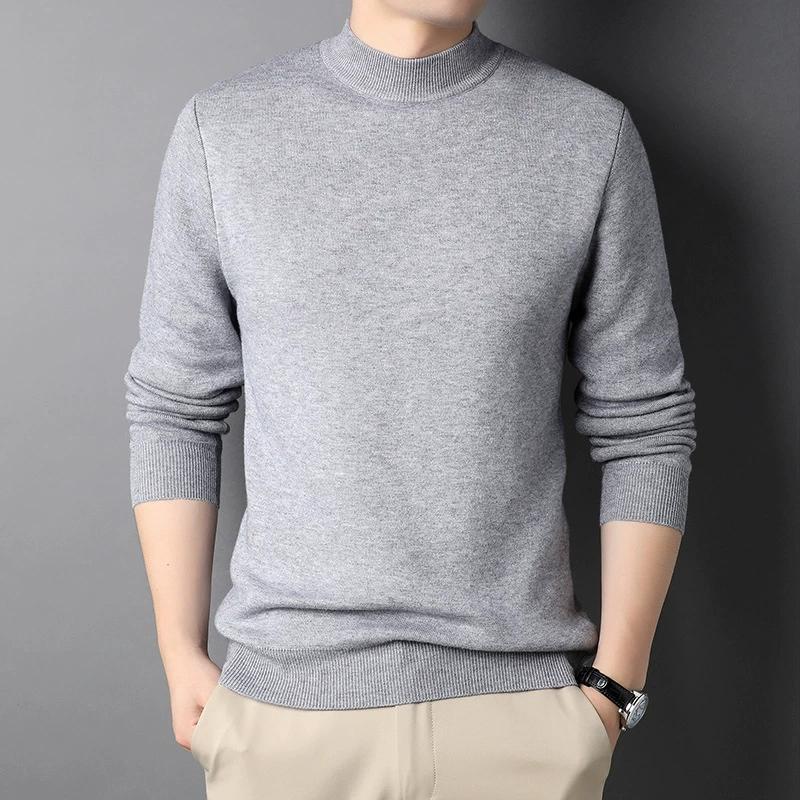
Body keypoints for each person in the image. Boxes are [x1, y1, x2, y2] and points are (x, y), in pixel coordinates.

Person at [123, 1, 697, 797]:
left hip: (522, 725)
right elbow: (175, 407)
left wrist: (615, 687)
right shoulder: (224, 132)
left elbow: (647, 423)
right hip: (284, 722)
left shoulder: (587, 134)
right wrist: (179, 654)